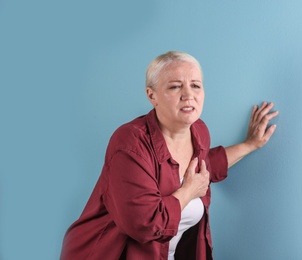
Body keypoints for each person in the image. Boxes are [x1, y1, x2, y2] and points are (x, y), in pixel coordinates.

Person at [60, 51, 279, 260]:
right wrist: (188, 191)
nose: (188, 95)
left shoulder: (199, 131)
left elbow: (205, 167)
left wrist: (251, 144)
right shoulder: (130, 142)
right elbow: (144, 223)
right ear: (152, 95)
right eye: (175, 87)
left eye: (195, 85)